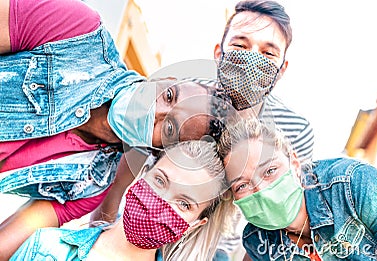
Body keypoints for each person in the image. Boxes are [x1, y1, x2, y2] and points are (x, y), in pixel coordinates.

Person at [0, 0, 231, 258]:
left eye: (168, 129)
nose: (154, 109)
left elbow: (8, 241)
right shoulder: (78, 34)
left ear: (157, 152)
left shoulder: (89, 187)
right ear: (165, 80)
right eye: (168, 96)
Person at [10, 140, 236, 261]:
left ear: (195, 224)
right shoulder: (45, 245)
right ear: (143, 174)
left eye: (184, 204)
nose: (161, 203)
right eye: (160, 181)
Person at [218, 118, 377, 260]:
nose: (261, 189)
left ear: (295, 164)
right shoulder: (257, 241)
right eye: (242, 185)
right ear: (233, 198)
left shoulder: (357, 184)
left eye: (270, 170)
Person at [213, 0, 314, 163]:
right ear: (219, 54)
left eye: (268, 53)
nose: (253, 59)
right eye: (239, 45)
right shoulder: (179, 98)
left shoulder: (295, 131)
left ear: (281, 69)